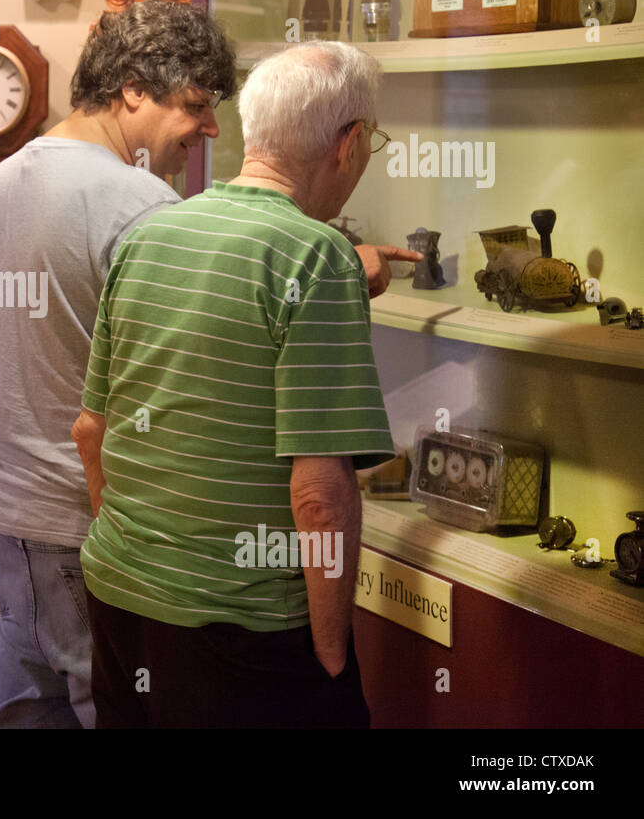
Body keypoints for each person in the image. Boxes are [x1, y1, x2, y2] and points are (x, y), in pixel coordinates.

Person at [71, 40, 421, 728]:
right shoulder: (317, 256)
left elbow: (91, 431)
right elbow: (320, 496)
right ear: (347, 144)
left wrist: (145, 555)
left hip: (119, 598)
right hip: (241, 632)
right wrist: (330, 654)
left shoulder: (151, 233)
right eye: (371, 137)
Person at [0, 0, 237, 728]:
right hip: (97, 535)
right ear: (134, 89)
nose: (209, 129)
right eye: (197, 106)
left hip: (14, 520)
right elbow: (184, 386)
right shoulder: (142, 202)